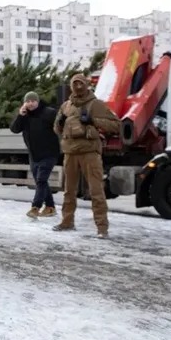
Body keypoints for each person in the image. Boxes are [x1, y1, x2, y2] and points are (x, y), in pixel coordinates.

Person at [53, 74, 121, 238]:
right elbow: (56, 129)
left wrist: (93, 120)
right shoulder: (66, 106)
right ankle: (67, 221)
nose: (78, 87)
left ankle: (102, 227)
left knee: (96, 191)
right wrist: (60, 123)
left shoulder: (95, 104)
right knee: (69, 191)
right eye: (74, 84)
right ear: (71, 86)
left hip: (89, 152)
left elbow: (116, 125)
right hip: (70, 153)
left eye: (81, 83)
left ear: (86, 85)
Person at [9, 91, 61, 219]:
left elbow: (60, 125)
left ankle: (35, 207)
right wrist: (20, 115)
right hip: (34, 154)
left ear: (37, 101)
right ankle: (50, 207)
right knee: (40, 181)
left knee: (41, 180)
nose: (30, 104)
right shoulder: (25, 116)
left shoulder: (49, 113)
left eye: (33, 101)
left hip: (49, 153)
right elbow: (14, 129)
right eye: (28, 101)